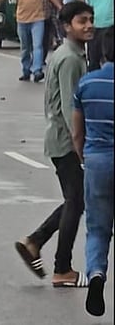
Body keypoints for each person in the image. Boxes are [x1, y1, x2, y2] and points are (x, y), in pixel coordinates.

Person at [14, 1, 95, 288]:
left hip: (61, 139)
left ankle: (35, 241)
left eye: (90, 20)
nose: (88, 26)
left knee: (75, 200)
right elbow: (71, 108)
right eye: (81, 21)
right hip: (66, 142)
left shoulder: (69, 54)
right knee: (77, 201)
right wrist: (80, 145)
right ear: (66, 25)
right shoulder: (71, 59)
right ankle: (62, 269)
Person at [72, 28, 114, 317]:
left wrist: (84, 157)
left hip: (97, 161)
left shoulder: (87, 84)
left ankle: (96, 273)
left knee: (98, 228)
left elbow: (77, 133)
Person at [78, 0, 114, 71]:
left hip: (111, 25)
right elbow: (81, 4)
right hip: (94, 26)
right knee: (94, 59)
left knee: (110, 57)